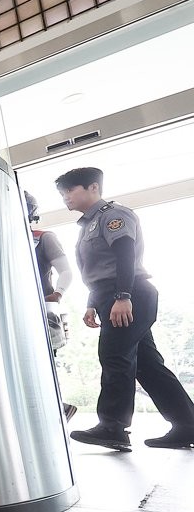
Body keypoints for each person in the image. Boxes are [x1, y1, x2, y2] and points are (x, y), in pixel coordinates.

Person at [56, 167, 194, 451]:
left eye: (70, 190)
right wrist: (93, 303)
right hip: (113, 295)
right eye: (62, 193)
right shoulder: (88, 225)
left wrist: (122, 296)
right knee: (147, 365)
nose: (65, 197)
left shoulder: (113, 216)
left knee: (115, 356)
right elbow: (97, 270)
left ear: (93, 187)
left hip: (129, 294)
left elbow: (124, 256)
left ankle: (112, 426)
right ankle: (187, 425)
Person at [25, 191, 78, 422]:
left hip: (40, 312)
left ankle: (58, 409)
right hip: (11, 312)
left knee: (42, 364)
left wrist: (57, 294)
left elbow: (66, 271)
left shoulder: (43, 238)